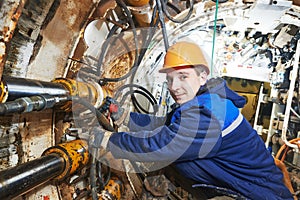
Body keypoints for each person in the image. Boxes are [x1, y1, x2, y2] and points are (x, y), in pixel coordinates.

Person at [91, 41, 294, 199]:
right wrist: (124, 115)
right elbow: (163, 126)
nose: (174, 86)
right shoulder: (204, 101)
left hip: (256, 195)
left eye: (183, 77)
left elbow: (161, 145)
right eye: (170, 79)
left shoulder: (208, 114)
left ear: (203, 76)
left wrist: (109, 140)